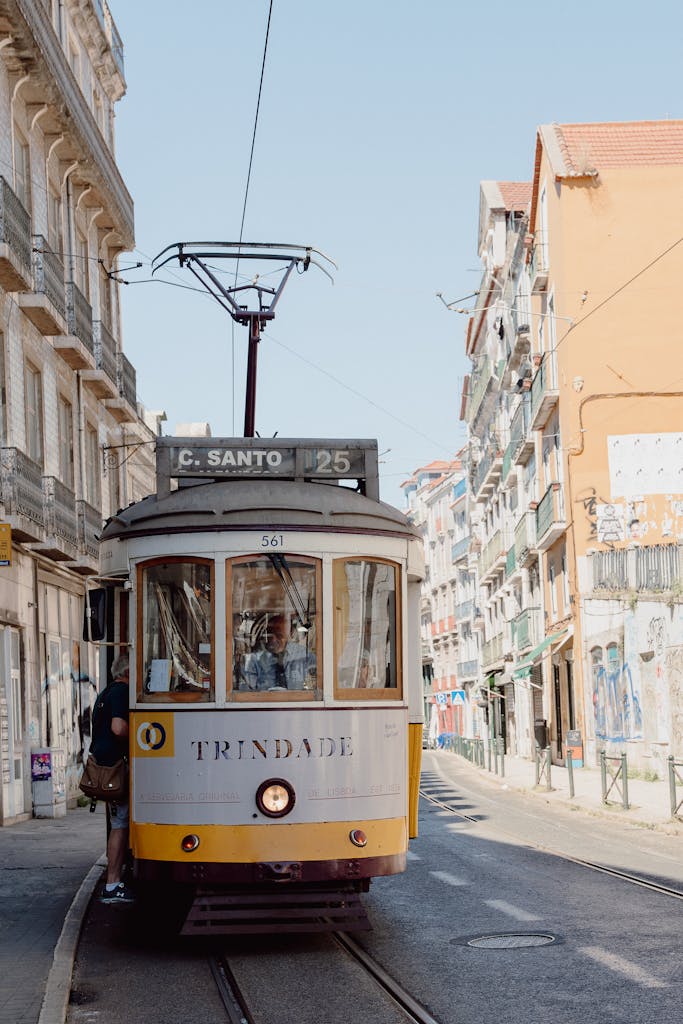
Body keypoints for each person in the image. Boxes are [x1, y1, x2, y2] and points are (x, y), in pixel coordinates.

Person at [90, 653, 134, 904]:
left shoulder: (105, 693)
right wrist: (140, 734)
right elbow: (118, 727)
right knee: (120, 825)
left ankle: (114, 881)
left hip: (105, 768)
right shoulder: (120, 693)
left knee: (118, 823)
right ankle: (112, 884)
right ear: (128, 672)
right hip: (116, 770)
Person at [242, 614, 316, 691]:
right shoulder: (254, 660)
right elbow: (248, 692)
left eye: (279, 634)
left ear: (289, 634)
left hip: (296, 701)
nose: (273, 639)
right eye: (270, 633)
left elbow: (323, 674)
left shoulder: (303, 654)